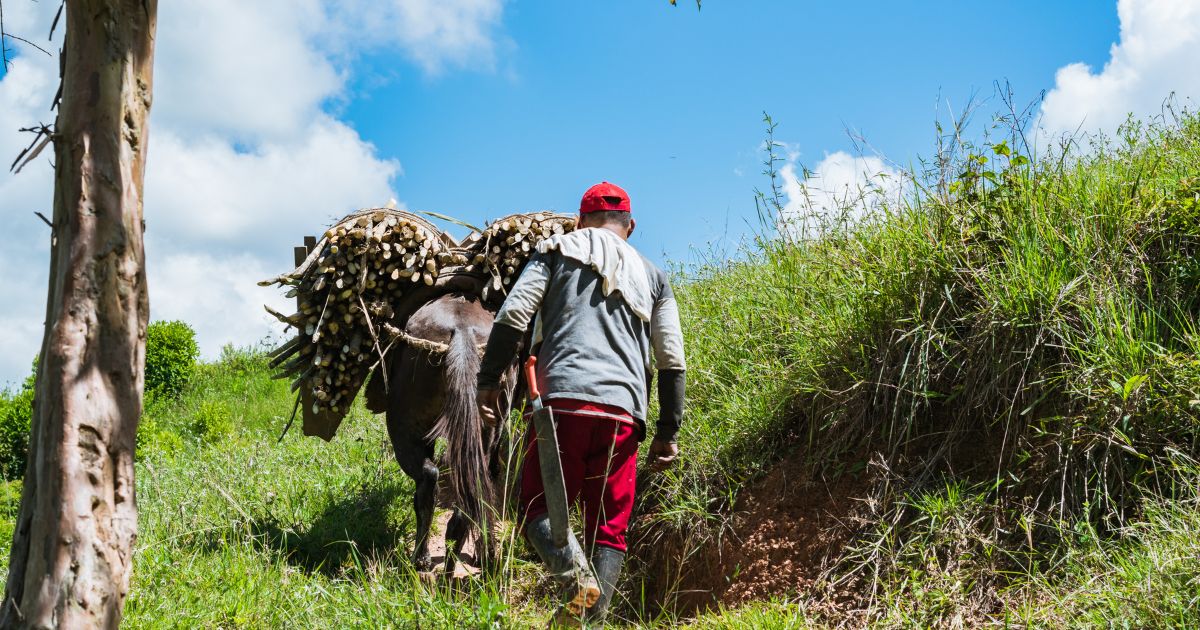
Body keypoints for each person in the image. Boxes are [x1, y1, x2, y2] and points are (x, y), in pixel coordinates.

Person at [476, 181, 686, 626]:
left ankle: (578, 588)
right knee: (608, 529)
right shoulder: (654, 276)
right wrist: (667, 433)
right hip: (626, 414)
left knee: (537, 511)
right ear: (631, 226)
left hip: (561, 406)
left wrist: (488, 382)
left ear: (579, 220)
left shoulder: (555, 249)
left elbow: (514, 315)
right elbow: (671, 359)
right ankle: (588, 617)